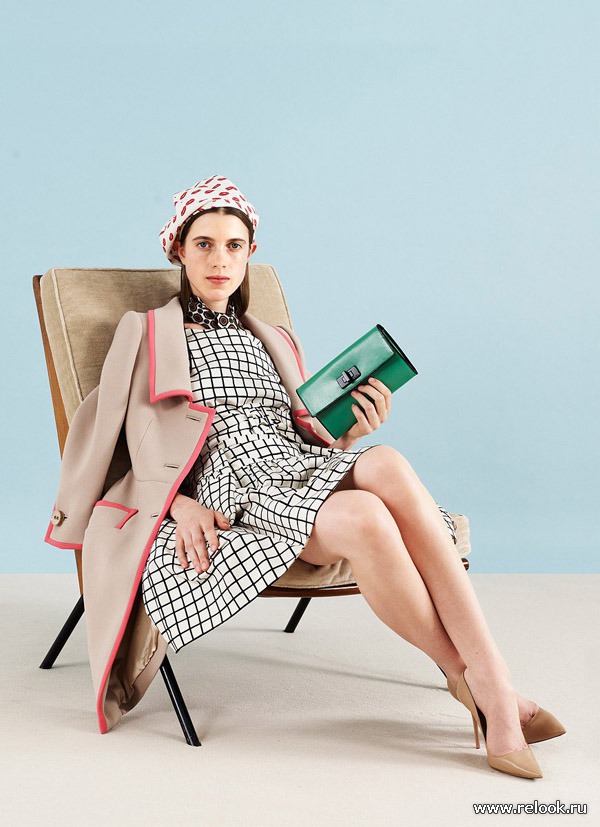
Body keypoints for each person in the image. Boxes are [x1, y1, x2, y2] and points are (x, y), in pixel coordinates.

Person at [140, 175, 565, 778]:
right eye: (203, 244)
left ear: (250, 253)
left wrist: (348, 432)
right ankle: (490, 691)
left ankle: (486, 682)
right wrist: (180, 506)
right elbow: (125, 445)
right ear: (178, 251)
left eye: (233, 246)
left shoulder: (269, 336)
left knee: (385, 459)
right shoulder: (150, 335)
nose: (219, 260)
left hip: (296, 464)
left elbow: (300, 429)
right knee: (366, 516)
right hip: (237, 487)